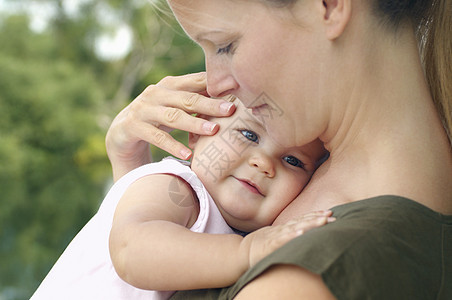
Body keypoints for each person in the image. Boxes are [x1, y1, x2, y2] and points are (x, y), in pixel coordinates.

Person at [105, 0, 452, 299]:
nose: (214, 84)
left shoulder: (311, 273)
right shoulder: (324, 167)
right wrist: (132, 170)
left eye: (225, 45)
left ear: (329, 6)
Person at [30, 97, 331, 300]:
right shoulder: (176, 185)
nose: (263, 163)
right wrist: (246, 252)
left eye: (293, 160)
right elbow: (130, 248)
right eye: (248, 135)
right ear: (198, 134)